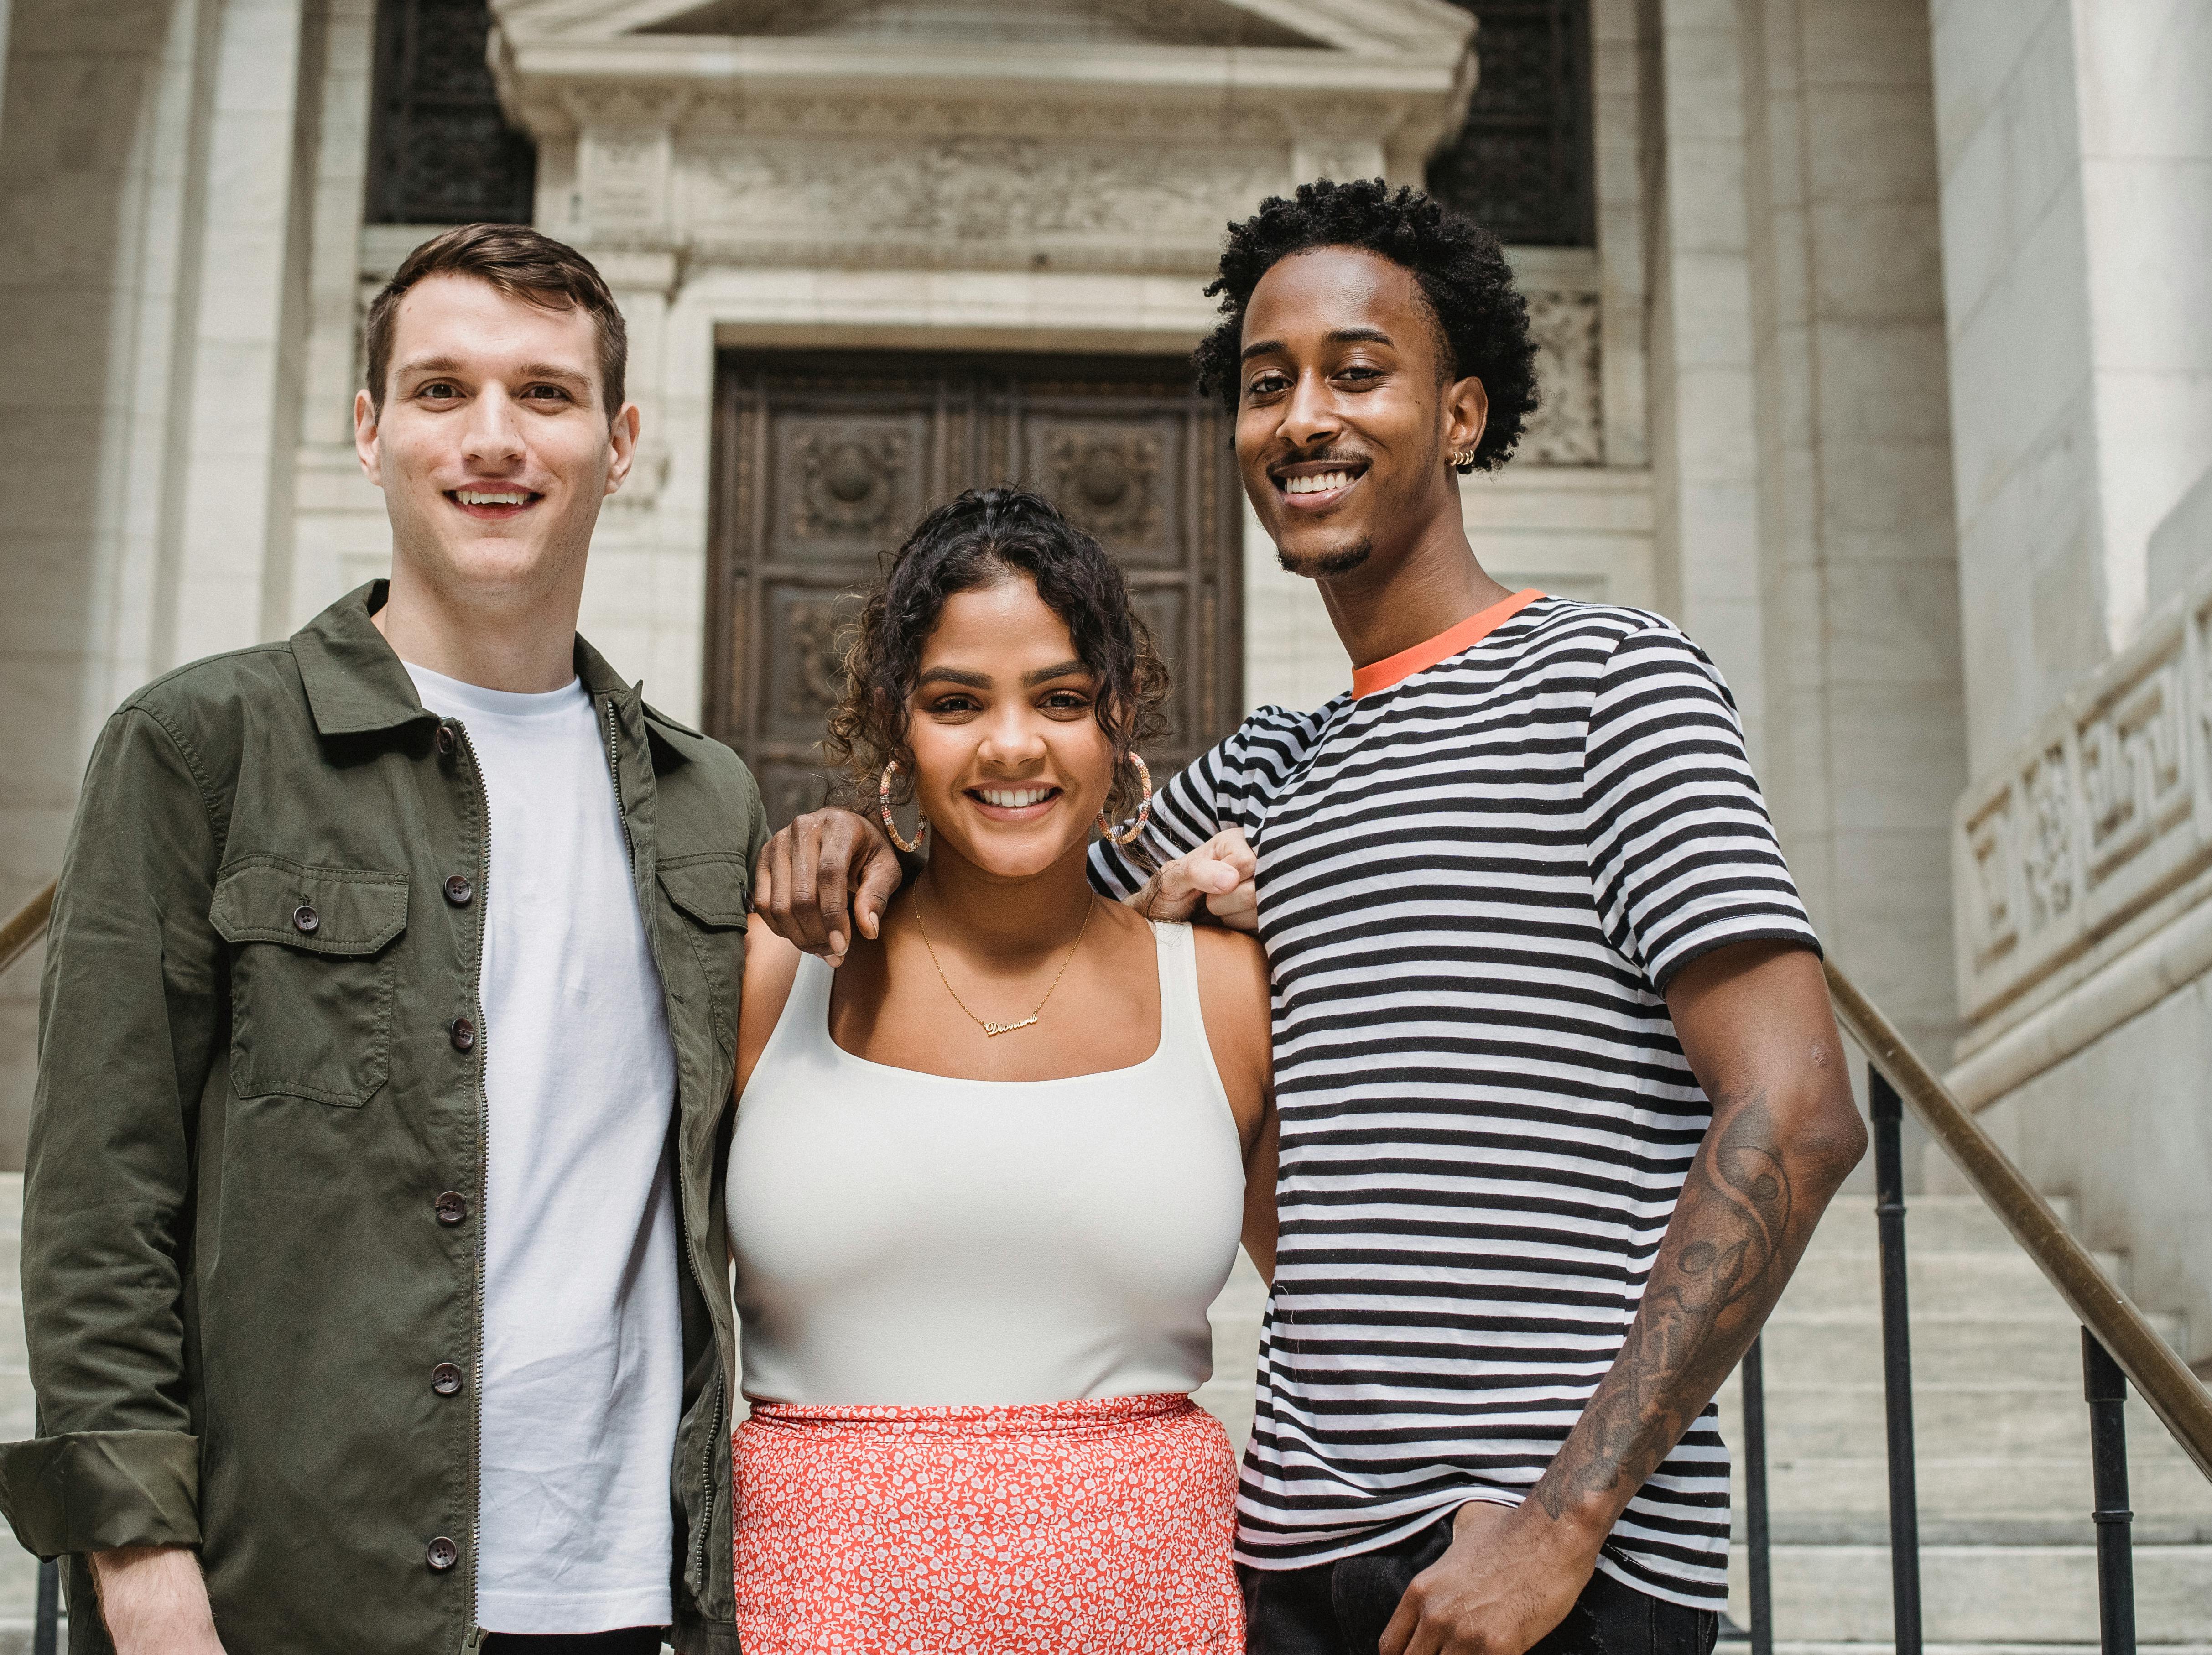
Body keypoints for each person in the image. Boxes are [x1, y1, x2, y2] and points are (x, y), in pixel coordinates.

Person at [755, 180, 1869, 1655]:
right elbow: (999, 889)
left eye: (1357, 370)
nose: (1302, 418)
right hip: (1290, 1562)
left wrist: (1560, 1520)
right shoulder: (1271, 763)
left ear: (1464, 414)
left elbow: (1796, 1110)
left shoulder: (1614, 680)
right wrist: (852, 851)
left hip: (1547, 1573)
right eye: (1266, 382)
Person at [0, 224, 762, 1655]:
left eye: (544, 393)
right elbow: (101, 1193)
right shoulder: (202, 747)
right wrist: (143, 1567)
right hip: (293, 1590)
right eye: (441, 389)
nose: (493, 440)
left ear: (622, 438)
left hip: (626, 1596)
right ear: (368, 429)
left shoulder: (711, 803)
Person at [732, 486, 1277, 1654]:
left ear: (1117, 719)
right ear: (895, 724)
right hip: (811, 1617)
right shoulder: (781, 968)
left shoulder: (1226, 992)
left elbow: (1354, 1325)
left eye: (1063, 698)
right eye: (956, 700)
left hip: (1148, 1617)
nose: (1014, 743)